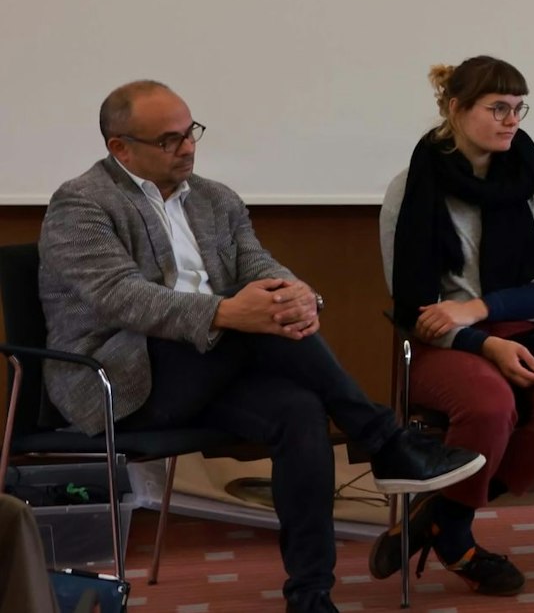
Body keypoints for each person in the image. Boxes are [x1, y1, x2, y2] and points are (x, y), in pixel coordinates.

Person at [37, 81, 485, 613]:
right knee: (255, 327)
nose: (187, 148)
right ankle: (385, 441)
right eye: (169, 140)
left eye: (191, 133)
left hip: (218, 365)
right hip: (124, 376)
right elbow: (120, 298)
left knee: (299, 410)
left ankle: (310, 594)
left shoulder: (214, 198)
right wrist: (228, 312)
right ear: (120, 148)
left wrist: (299, 296)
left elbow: (258, 265)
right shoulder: (81, 204)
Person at [371, 57, 534, 596]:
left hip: (532, 327)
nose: (511, 120)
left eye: (519, 108)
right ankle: (461, 543)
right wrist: (481, 340)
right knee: (489, 406)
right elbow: (413, 307)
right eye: (498, 108)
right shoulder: (411, 188)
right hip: (444, 341)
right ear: (456, 109)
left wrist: (480, 309)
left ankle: (444, 520)